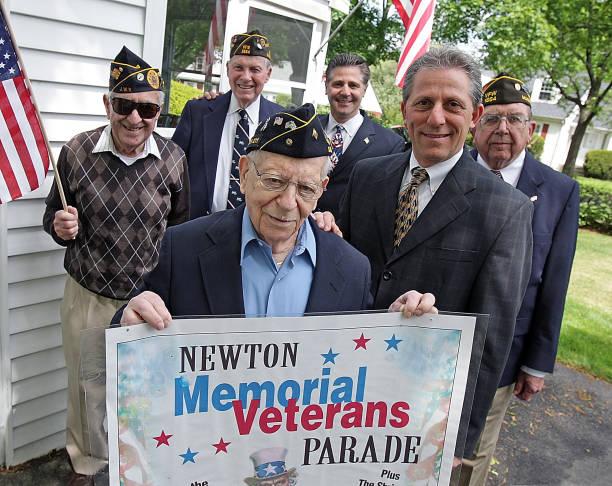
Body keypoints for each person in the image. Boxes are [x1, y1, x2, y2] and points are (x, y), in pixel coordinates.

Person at [335, 46, 534, 467]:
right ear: (405, 109)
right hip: (342, 390)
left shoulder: (505, 210)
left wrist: (457, 438)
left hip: (419, 413)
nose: (436, 118)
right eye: (424, 103)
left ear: (475, 114)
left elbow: (491, 337)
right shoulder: (366, 176)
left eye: (453, 105)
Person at [116, 104, 435, 329]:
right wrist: (129, 320)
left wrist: (395, 323)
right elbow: (132, 322)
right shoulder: (183, 248)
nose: (287, 202)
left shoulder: (353, 269)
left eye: (306, 188)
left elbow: (359, 354)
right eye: (273, 181)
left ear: (322, 188)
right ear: (243, 174)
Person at [43, 46, 189, 485]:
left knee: (145, 393)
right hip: (88, 295)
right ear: (108, 103)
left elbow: (181, 232)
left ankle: (140, 468)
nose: (135, 118)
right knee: (87, 390)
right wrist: (60, 226)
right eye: (124, 105)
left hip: (147, 301)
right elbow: (52, 216)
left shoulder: (174, 158)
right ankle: (86, 467)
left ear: (158, 111)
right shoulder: (76, 152)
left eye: (147, 109)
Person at [458, 74, 580, 486]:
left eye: (515, 119)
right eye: (492, 118)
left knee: (472, 456)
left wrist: (537, 363)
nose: (503, 130)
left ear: (531, 129)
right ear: (476, 123)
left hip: (503, 351)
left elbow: (555, 282)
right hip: (434, 336)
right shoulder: (443, 172)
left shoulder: (559, 191)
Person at [172, 29, 284, 219]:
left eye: (255, 69)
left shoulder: (282, 121)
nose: (246, 77)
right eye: (238, 67)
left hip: (257, 233)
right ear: (227, 69)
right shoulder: (198, 112)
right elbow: (172, 171)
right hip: (198, 229)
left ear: (268, 73)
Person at [315, 53, 405, 216]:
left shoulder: (390, 145)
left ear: (364, 90)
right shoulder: (306, 128)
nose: (345, 92)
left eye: (353, 85)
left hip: (349, 239)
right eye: (338, 84)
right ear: (326, 86)